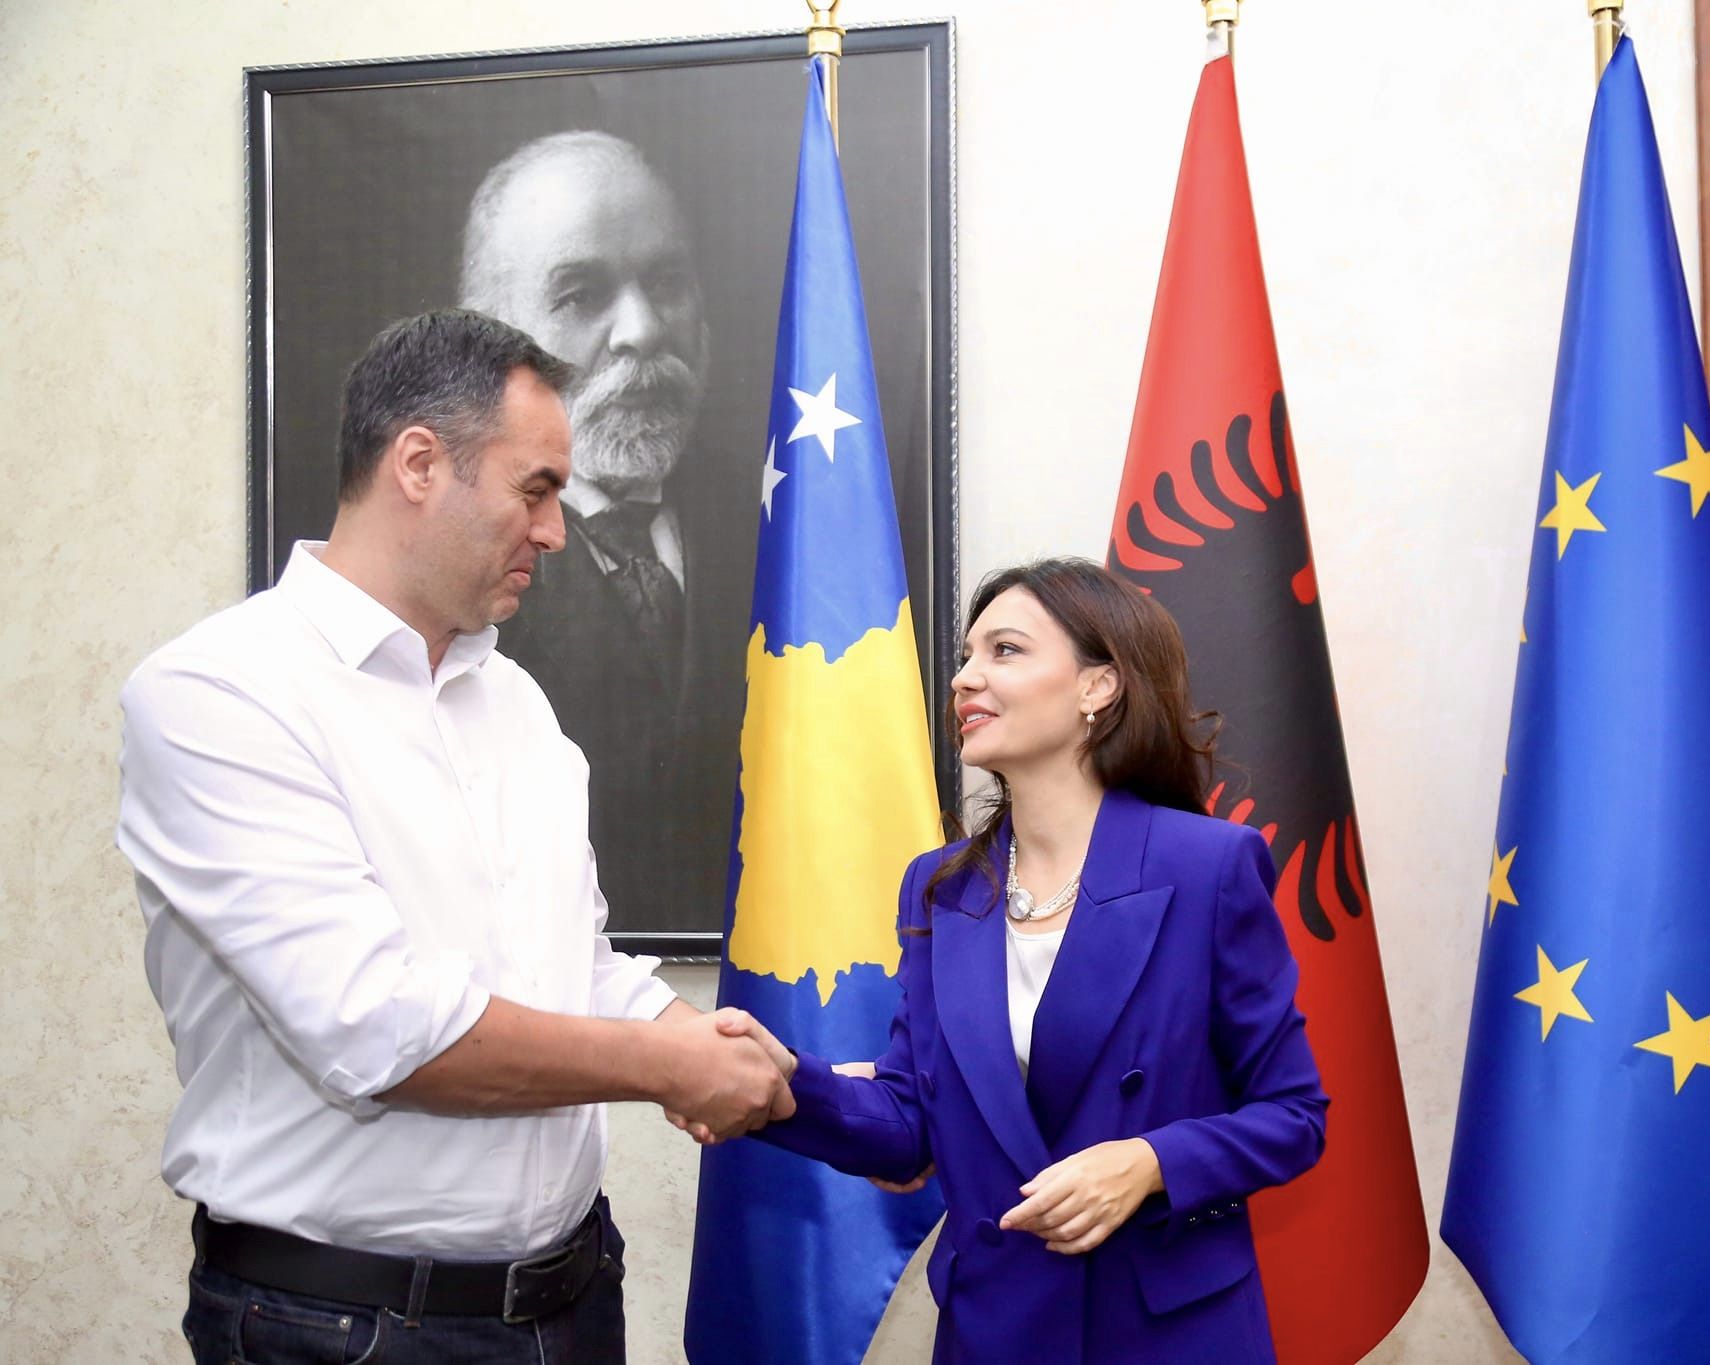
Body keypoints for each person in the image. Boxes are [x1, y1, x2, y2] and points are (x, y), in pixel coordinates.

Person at [116, 310, 789, 1365]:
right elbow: (379, 1032)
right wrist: (667, 1064)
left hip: (573, 1298)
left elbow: (571, 964)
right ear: (420, 464)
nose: (557, 531)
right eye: (537, 489)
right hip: (343, 1328)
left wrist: (713, 1045)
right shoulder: (218, 694)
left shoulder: (515, 702)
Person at [721, 557, 1329, 1363]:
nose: (965, 678)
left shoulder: (1209, 865)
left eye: (1004, 650)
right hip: (995, 1327)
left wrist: (1149, 1161)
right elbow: (910, 1126)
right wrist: (784, 1084)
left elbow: (1294, 1114)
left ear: (1098, 686)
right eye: (966, 656)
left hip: (1167, 1332)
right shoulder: (940, 887)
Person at [456, 130, 713, 930]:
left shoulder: (800, 526)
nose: (643, 329)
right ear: (490, 338)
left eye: (666, 282)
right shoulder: (449, 578)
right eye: (581, 294)